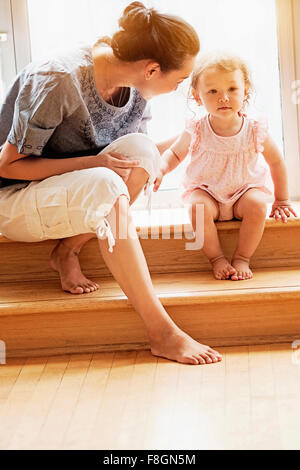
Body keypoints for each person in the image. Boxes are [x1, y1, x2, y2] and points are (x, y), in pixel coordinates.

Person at [0, 2, 222, 365]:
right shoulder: (57, 79)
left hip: (69, 191)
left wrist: (198, 134)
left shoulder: (134, 88)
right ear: (152, 69)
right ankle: (161, 332)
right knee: (106, 180)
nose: (183, 88)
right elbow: (8, 166)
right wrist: (94, 162)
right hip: (12, 197)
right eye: (180, 80)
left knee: (143, 151)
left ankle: (66, 250)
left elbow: (133, 156)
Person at [154, 51, 297, 281]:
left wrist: (282, 199)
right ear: (198, 97)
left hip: (244, 193)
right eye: (213, 91)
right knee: (196, 208)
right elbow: (175, 154)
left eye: (232, 89)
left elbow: (276, 161)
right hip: (207, 192)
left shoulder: (254, 128)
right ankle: (217, 258)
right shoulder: (196, 129)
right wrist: (161, 169)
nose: (224, 98)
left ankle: (242, 257)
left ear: (245, 91)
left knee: (258, 205)